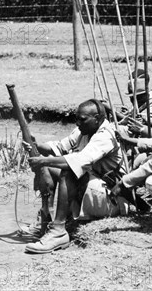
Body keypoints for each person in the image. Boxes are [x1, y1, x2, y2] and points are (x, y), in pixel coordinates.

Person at [24, 99, 125, 254]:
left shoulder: (105, 136)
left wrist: (42, 160)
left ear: (97, 118)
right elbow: (58, 148)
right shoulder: (84, 130)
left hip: (110, 199)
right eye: (76, 119)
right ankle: (45, 221)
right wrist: (36, 145)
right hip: (91, 190)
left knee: (69, 171)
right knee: (48, 168)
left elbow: (77, 162)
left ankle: (58, 230)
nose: (78, 123)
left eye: (82, 119)